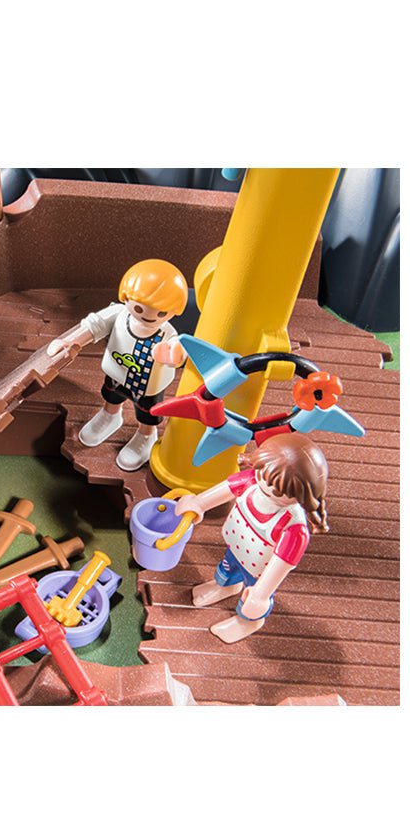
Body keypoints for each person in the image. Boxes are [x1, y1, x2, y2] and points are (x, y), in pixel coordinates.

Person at [173, 433, 329, 643]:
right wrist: (199, 503)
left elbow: (281, 564)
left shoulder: (293, 528)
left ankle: (248, 621)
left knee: (252, 597)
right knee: (227, 568)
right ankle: (225, 586)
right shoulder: (251, 482)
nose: (267, 487)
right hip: (237, 548)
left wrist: (261, 593)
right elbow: (225, 490)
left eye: (279, 489)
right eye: (264, 475)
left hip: (259, 571)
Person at [47, 259, 188, 471]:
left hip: (147, 386)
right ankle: (110, 416)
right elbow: (95, 325)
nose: (148, 316)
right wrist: (70, 341)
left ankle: (146, 436)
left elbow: (179, 351)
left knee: (147, 413)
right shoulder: (120, 314)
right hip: (117, 374)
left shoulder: (167, 334)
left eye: (160, 312)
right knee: (112, 396)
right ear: (126, 297)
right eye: (139, 308)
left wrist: (173, 355)